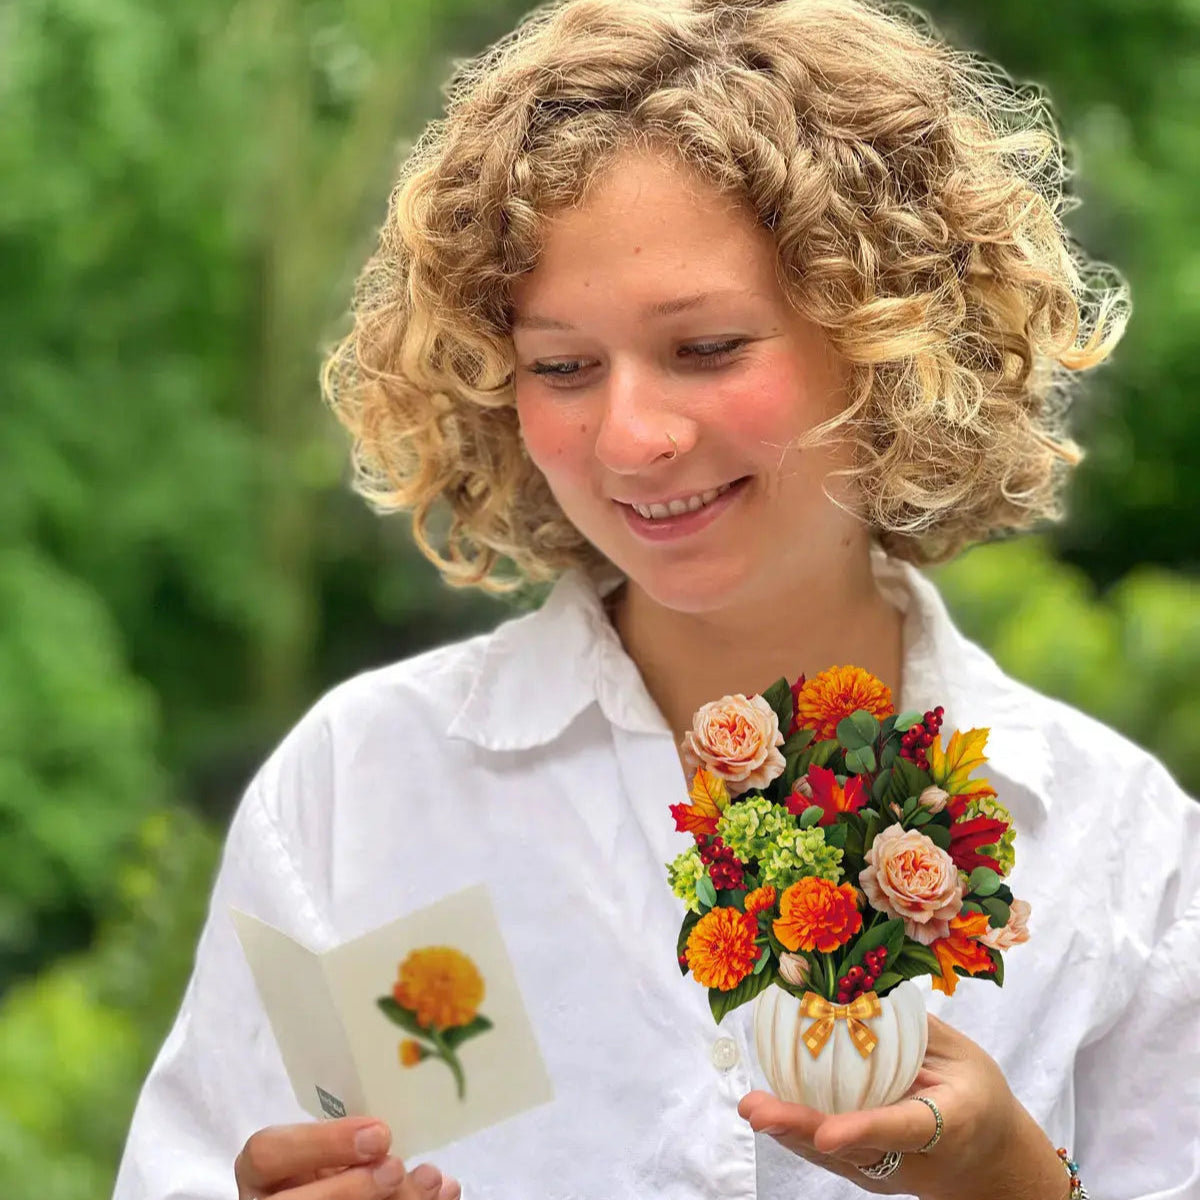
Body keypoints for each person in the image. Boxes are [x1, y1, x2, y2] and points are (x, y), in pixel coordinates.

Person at [113, 1, 1199, 1198]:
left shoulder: (1120, 850)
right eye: (564, 367)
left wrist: (1016, 1183)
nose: (630, 438)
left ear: (893, 341)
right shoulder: (364, 790)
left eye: (708, 347)